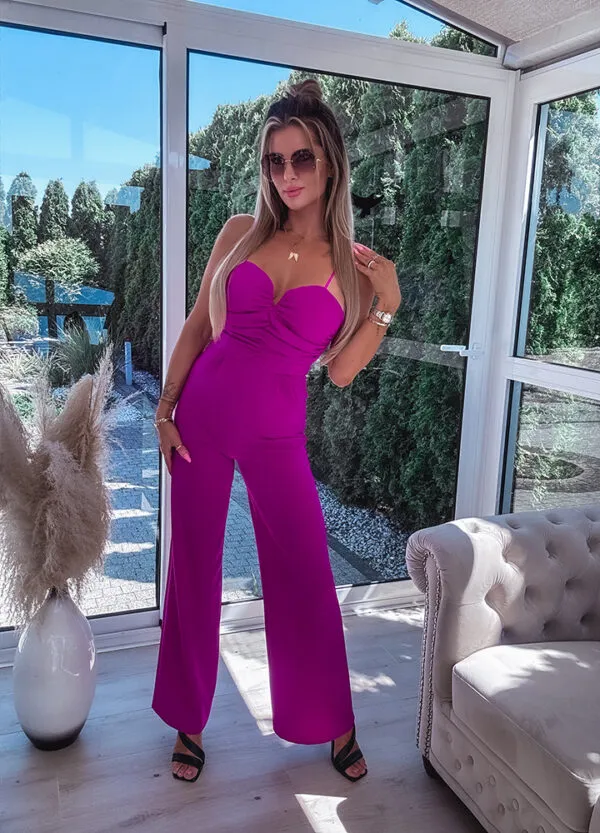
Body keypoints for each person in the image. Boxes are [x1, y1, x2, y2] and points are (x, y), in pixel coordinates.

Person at [151, 78, 402, 784]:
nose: (287, 174)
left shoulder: (356, 268)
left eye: (302, 159)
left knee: (305, 573)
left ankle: (334, 719)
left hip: (276, 435)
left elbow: (342, 371)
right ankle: (189, 719)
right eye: (275, 160)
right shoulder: (240, 232)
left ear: (330, 163)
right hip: (202, 418)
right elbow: (198, 328)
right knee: (194, 567)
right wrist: (164, 410)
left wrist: (386, 306)